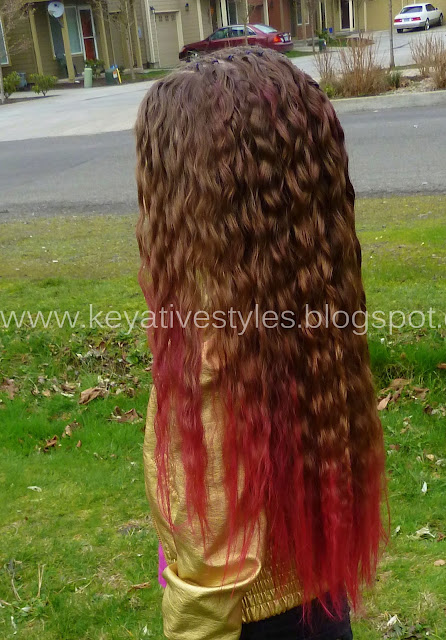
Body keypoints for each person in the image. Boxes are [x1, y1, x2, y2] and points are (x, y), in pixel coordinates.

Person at [135, 47, 386, 640]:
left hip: (248, 622)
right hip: (320, 598)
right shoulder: (308, 298)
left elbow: (207, 563)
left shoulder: (211, 347)